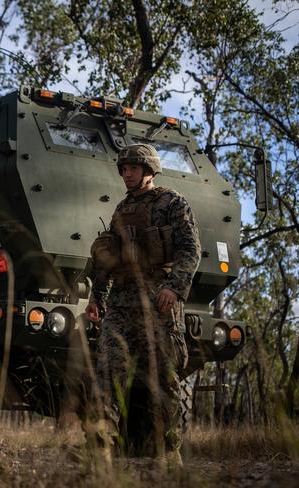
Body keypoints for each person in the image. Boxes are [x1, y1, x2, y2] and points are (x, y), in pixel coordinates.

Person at [86, 143, 201, 465]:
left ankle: (169, 452)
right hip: (121, 305)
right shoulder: (121, 210)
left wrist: (175, 288)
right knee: (108, 373)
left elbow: (190, 249)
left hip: (157, 302)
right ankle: (102, 452)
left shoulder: (172, 203)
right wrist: (96, 297)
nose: (126, 174)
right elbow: (106, 258)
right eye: (123, 169)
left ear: (149, 170)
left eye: (132, 168)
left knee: (162, 379)